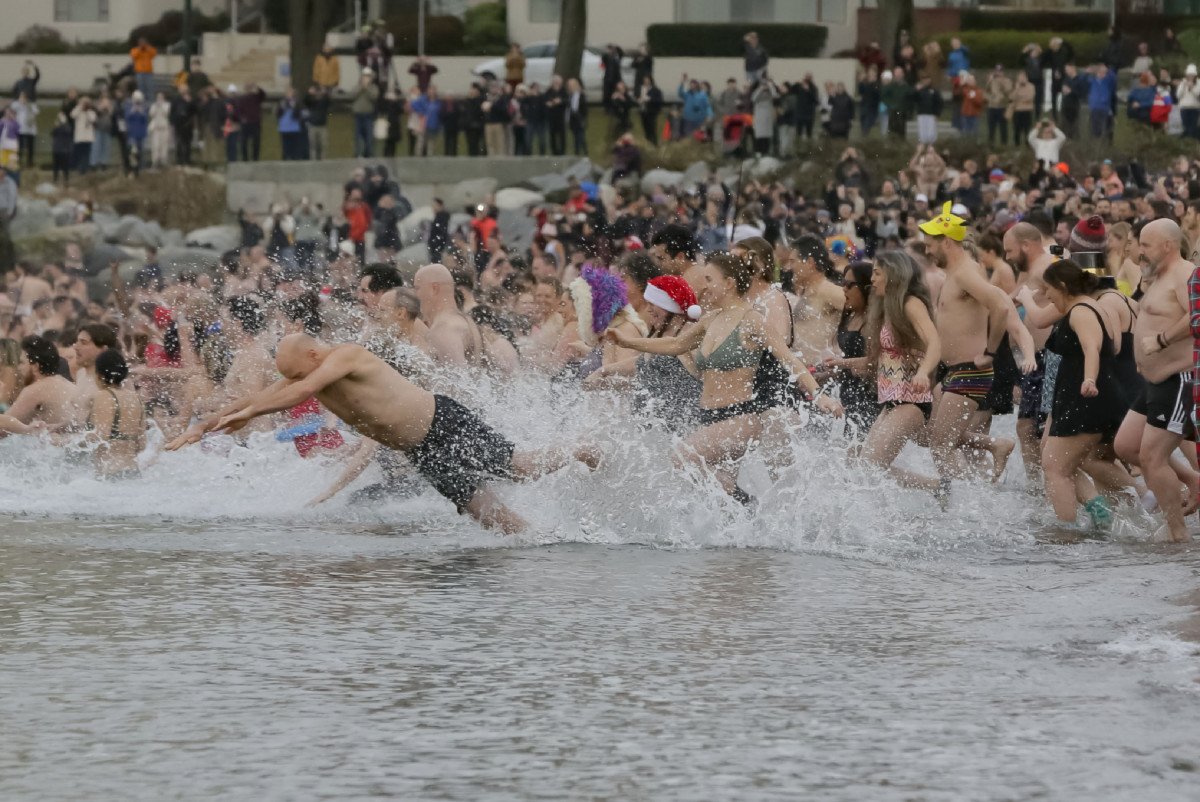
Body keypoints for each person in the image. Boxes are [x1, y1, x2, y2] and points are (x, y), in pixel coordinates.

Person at [166, 333, 599, 534]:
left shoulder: (344, 356)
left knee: (519, 469)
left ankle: (584, 450)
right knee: (487, 516)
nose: (292, 380)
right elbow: (264, 395)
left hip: (444, 423)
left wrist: (256, 408)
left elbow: (302, 389)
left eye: (296, 371)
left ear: (314, 354)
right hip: (422, 450)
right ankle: (547, 544)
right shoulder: (305, 371)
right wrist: (206, 425)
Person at [610, 252, 838, 505]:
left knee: (683, 458)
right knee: (722, 491)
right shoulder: (710, 320)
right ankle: (748, 523)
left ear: (729, 283)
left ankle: (750, 508)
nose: (704, 285)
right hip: (709, 418)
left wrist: (820, 396)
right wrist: (627, 341)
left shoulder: (752, 320)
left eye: (709, 278)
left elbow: (790, 360)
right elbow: (675, 344)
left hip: (739, 418)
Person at [921, 203, 1015, 498]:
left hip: (970, 371)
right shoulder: (956, 272)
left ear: (946, 242)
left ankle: (961, 505)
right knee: (930, 436)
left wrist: (990, 351)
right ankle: (993, 446)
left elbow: (1000, 306)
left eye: (929, 245)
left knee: (941, 444)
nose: (926, 252)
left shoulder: (965, 273)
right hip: (954, 371)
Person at [1113, 219, 1197, 543]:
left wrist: (1161, 340)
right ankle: (1192, 479)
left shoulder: (1185, 272)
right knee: (1126, 446)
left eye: (1146, 245)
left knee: (1151, 457)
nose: (1141, 251)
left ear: (1168, 245)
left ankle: (1178, 533)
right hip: (1153, 381)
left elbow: (1197, 315)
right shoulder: (1157, 276)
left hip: (1178, 379)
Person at [1040, 261, 1126, 526]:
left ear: (1063, 287)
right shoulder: (1092, 305)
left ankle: (1066, 532)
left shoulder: (1081, 310)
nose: (1046, 295)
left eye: (1048, 289)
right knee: (1060, 462)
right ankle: (1099, 512)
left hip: (1087, 399)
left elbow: (1092, 348)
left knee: (1054, 467)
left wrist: (1089, 378)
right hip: (1088, 398)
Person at [4, 335, 85, 432]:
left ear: (35, 366)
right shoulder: (66, 384)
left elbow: (3, 426)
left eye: (21, 363)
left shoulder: (36, 389)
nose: (17, 368)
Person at [85, 349, 145, 480]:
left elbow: (101, 436)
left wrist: (70, 442)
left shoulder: (105, 396)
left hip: (111, 474)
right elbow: (142, 444)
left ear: (99, 375)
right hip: (134, 473)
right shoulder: (136, 398)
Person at [351, 69, 379, 158]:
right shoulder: (357, 86)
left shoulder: (374, 88)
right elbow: (352, 95)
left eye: (368, 76)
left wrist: (366, 88)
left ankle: (369, 154)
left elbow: (374, 97)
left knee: (369, 137)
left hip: (368, 116)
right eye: (364, 76)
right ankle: (358, 153)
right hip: (358, 116)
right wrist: (361, 87)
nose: (366, 78)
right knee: (357, 137)